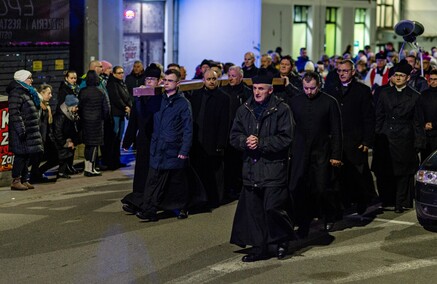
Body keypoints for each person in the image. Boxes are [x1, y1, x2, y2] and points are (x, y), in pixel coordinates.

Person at [229, 68, 294, 262]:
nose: (257, 92)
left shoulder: (282, 109)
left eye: (261, 89)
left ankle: (282, 240)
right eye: (255, 88)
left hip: (273, 168)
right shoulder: (244, 109)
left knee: (272, 208)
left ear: (270, 90)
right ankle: (260, 247)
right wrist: (244, 141)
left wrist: (262, 143)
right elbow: (234, 136)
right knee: (255, 212)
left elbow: (286, 138)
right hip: (251, 168)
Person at [289, 72, 343, 236]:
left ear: (319, 86)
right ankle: (303, 223)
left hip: (322, 152)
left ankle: (328, 217)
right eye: (306, 88)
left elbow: (336, 130)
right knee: (299, 188)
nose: (309, 92)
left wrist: (336, 155)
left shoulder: (329, 102)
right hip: (300, 152)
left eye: (312, 88)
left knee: (321, 188)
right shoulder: (295, 102)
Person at [136, 69, 193, 221]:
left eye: (170, 80)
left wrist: (184, 150)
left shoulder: (183, 104)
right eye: (165, 80)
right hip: (157, 147)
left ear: (178, 83)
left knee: (175, 182)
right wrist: (140, 98)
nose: (166, 83)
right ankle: (148, 210)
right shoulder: (158, 99)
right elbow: (143, 114)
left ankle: (182, 208)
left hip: (173, 148)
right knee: (153, 179)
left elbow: (188, 129)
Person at [372, 62, 425, 213]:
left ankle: (399, 202)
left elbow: (417, 122)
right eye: (396, 75)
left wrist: (418, 142)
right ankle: (387, 199)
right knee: (386, 170)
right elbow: (379, 116)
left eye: (402, 76)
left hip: (405, 138)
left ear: (408, 78)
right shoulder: (384, 93)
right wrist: (377, 135)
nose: (398, 78)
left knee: (403, 172)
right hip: (386, 136)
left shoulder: (415, 96)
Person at [329, 60, 376, 214]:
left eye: (345, 71)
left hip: (356, 140)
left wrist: (366, 140)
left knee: (359, 174)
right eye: (339, 71)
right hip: (337, 140)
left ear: (353, 72)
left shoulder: (362, 90)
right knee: (340, 175)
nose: (342, 74)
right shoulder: (331, 89)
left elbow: (368, 118)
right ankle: (345, 203)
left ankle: (363, 201)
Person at [121, 63, 163, 214]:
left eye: (153, 79)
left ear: (159, 81)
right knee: (141, 172)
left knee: (153, 173)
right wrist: (127, 141)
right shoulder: (139, 98)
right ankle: (137, 200)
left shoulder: (161, 98)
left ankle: (150, 201)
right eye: (147, 79)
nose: (149, 82)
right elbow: (134, 121)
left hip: (157, 141)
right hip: (143, 141)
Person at [189, 69, 231, 208]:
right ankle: (201, 198)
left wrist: (221, 143)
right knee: (200, 170)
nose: (211, 82)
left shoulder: (224, 97)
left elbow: (225, 123)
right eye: (209, 79)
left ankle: (215, 199)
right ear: (203, 80)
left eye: (214, 79)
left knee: (215, 172)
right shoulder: (196, 95)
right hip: (198, 140)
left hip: (214, 141)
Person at [7, 70, 43, 190]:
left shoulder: (27, 92)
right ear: (22, 79)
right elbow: (14, 113)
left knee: (27, 155)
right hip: (21, 131)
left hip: (29, 129)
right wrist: (21, 129)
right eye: (29, 78)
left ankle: (24, 179)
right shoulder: (16, 93)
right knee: (20, 155)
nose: (32, 80)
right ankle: (16, 180)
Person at [220, 65, 252, 201]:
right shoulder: (224, 91)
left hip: (241, 132)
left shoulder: (247, 93)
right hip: (227, 131)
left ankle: (239, 188)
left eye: (234, 76)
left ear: (240, 77)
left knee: (239, 162)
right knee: (228, 162)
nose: (231, 78)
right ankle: (229, 189)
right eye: (229, 75)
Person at [79, 70, 111, 177]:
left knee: (88, 145)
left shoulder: (82, 91)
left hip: (86, 122)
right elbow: (107, 109)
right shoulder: (101, 91)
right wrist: (103, 118)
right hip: (97, 122)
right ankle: (90, 169)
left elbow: (80, 107)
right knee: (94, 146)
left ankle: (87, 167)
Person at [29, 84, 59, 182]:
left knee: (54, 157)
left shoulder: (46, 107)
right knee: (35, 159)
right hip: (40, 137)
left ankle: (37, 173)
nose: (51, 96)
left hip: (45, 137)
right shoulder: (39, 106)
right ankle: (34, 175)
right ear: (41, 93)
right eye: (48, 93)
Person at [106, 65, 132, 170]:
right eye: (119, 73)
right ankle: (112, 161)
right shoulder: (112, 84)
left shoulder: (122, 83)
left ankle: (117, 160)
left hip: (121, 113)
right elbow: (116, 98)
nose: (121, 75)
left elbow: (127, 95)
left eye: (122, 72)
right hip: (116, 113)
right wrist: (125, 107)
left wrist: (129, 106)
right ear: (114, 74)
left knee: (119, 138)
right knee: (114, 137)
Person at [53, 95, 81, 179]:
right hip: (59, 140)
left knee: (71, 149)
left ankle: (68, 168)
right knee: (65, 152)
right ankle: (61, 172)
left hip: (66, 137)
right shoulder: (61, 116)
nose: (77, 109)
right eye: (75, 107)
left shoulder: (70, 114)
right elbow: (57, 131)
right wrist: (65, 142)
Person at [417, 69, 437, 161]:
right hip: (426, 135)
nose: (433, 81)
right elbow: (419, 113)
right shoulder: (423, 95)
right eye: (431, 79)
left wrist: (434, 124)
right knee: (426, 162)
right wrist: (424, 124)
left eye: (436, 79)